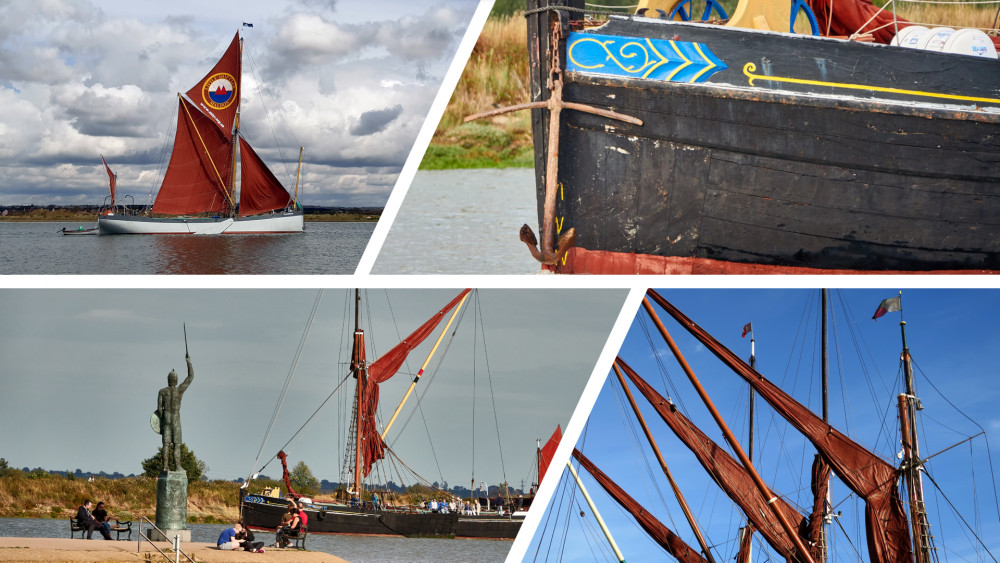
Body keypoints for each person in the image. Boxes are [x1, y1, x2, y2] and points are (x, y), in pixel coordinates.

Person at [155, 354, 194, 472]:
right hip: (176, 420)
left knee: (166, 444)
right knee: (177, 445)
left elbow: (159, 410)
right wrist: (188, 362)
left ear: (168, 380)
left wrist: (162, 422)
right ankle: (177, 466)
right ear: (176, 380)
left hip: (166, 420)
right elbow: (190, 377)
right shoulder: (180, 390)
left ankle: (165, 467)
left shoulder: (162, 392)